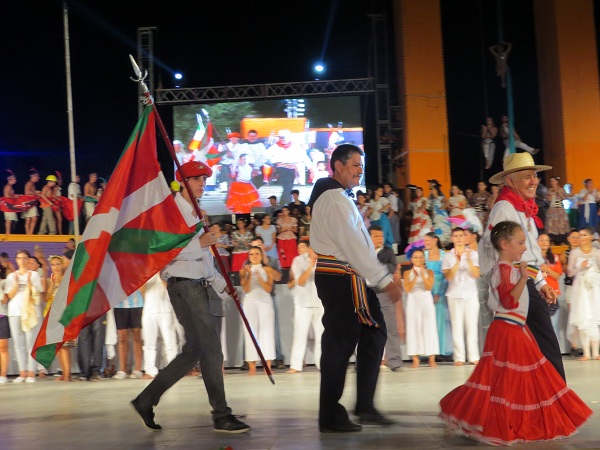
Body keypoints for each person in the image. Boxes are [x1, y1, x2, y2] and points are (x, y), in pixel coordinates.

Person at [440, 220, 591, 445]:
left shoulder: (513, 267)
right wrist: (523, 278)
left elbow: (531, 270)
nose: (524, 247)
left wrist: (539, 284)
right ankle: (491, 419)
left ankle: (511, 418)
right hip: (506, 331)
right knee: (508, 380)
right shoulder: (502, 269)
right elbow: (509, 300)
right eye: (520, 243)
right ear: (504, 244)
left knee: (518, 380)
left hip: (516, 329)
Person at [131, 160, 250, 433]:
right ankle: (221, 414)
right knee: (211, 349)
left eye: (204, 179)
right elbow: (161, 252)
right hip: (183, 286)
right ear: (182, 183)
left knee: (194, 350)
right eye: (196, 179)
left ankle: (145, 400)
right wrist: (199, 243)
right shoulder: (170, 212)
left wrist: (223, 285)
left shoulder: (198, 213)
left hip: (200, 285)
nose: (202, 184)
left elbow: (205, 259)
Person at [308, 144, 402, 433]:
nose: (359, 170)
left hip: (348, 276)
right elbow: (353, 246)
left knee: (374, 333)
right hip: (341, 276)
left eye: (361, 166)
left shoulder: (339, 197)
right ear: (337, 166)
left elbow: (357, 245)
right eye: (354, 165)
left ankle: (364, 405)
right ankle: (331, 415)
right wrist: (383, 280)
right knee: (339, 344)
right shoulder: (334, 199)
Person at [480, 152, 565, 380]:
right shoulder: (505, 209)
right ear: (509, 181)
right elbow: (499, 249)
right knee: (544, 342)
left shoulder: (521, 208)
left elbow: (529, 253)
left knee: (528, 347)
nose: (534, 181)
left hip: (524, 281)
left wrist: (540, 283)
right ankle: (557, 397)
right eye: (527, 176)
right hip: (516, 284)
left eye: (535, 175)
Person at [369, 225, 405, 372]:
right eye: (376, 236)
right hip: (367, 292)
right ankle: (365, 362)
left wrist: (375, 267)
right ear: (369, 237)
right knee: (366, 330)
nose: (380, 238)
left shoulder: (388, 252)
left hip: (384, 292)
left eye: (381, 236)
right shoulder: (364, 251)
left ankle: (394, 361)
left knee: (390, 328)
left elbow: (392, 267)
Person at [442, 227, 480, 365]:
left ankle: (473, 356)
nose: (458, 238)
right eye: (456, 235)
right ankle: (459, 357)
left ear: (465, 238)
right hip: (454, 294)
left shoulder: (474, 254)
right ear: (452, 238)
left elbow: (476, 274)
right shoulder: (448, 256)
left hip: (470, 294)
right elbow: (448, 276)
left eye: (461, 235)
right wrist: (457, 262)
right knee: (457, 326)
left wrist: (468, 260)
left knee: (471, 326)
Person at [5, 249, 44, 382]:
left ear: (28, 260)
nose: (22, 260)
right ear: (16, 260)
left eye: (24, 258)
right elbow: (9, 296)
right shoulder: (11, 276)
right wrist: (16, 284)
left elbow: (38, 293)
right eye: (19, 258)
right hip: (15, 312)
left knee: (31, 343)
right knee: (18, 343)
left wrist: (29, 283)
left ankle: (31, 372)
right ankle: (22, 372)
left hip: (31, 313)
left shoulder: (34, 275)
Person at [286, 241, 324, 374]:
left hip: (320, 302)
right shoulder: (298, 260)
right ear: (309, 248)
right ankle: (295, 365)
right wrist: (312, 264)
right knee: (300, 335)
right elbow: (300, 281)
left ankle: (322, 364)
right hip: (303, 302)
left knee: (322, 336)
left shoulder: (325, 259)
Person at [240, 246, 276, 375]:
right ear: (248, 257)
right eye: (251, 254)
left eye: (257, 253)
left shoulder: (267, 269)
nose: (254, 256)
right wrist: (250, 274)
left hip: (265, 301)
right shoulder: (244, 270)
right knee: (251, 332)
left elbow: (268, 289)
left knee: (267, 331)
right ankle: (252, 366)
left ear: (261, 256)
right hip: (250, 302)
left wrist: (259, 277)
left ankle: (268, 365)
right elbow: (246, 289)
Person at [567, 226, 600, 361]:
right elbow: (569, 272)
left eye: (584, 235)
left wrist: (593, 270)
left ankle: (596, 352)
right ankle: (586, 352)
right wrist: (581, 266)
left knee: (594, 317)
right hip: (579, 288)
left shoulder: (597, 252)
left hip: (593, 287)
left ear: (590, 237)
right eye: (579, 235)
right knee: (582, 316)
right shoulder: (575, 253)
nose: (580, 238)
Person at [404, 248, 439, 368]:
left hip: (426, 301)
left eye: (421, 256)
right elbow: (407, 289)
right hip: (413, 302)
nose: (419, 259)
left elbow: (429, 287)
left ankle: (431, 358)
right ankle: (415, 359)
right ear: (411, 259)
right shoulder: (407, 273)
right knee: (413, 328)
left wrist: (422, 274)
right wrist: (415, 277)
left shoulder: (429, 272)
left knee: (429, 328)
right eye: (416, 257)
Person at [423, 232, 452, 358]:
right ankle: (428, 351)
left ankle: (440, 350)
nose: (426, 243)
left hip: (440, 288)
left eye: (428, 240)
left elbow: (446, 276)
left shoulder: (444, 254)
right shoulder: (423, 255)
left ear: (435, 240)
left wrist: (439, 293)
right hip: (427, 287)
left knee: (440, 319)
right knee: (428, 320)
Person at [268, 129, 313, 205]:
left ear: (289, 137)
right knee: (287, 186)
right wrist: (273, 162)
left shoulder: (295, 146)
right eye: (281, 137)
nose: (283, 139)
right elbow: (265, 157)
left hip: (292, 169)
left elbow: (304, 157)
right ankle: (289, 204)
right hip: (281, 169)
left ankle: (282, 204)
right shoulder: (274, 147)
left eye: (284, 137)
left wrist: (310, 168)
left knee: (288, 187)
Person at [112, 290, 144, 380]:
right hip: (119, 305)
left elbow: (143, 286)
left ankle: (138, 369)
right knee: (122, 337)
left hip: (137, 304)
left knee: (136, 335)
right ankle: (123, 370)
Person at [545, 176, 570, 244]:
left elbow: (564, 198)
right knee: (552, 225)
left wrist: (558, 192)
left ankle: (562, 240)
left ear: (557, 181)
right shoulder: (549, 190)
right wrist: (552, 195)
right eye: (551, 181)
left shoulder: (561, 189)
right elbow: (547, 199)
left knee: (561, 224)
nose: (552, 183)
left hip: (560, 209)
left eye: (553, 181)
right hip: (552, 209)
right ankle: (552, 240)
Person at [427, 180, 451, 247]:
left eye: (433, 189)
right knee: (438, 233)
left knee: (443, 233)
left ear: (436, 190)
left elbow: (448, 202)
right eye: (431, 190)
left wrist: (442, 208)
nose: (432, 191)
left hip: (442, 217)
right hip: (435, 219)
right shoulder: (431, 200)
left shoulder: (441, 198)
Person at [0, 259, 10, 383]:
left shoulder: (5, 283)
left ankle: (3, 375)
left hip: (2, 317)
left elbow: (5, 300)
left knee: (3, 347)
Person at [23, 168, 40, 235]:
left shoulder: (31, 183)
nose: (38, 178)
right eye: (37, 176)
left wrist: (35, 192)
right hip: (29, 202)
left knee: (28, 219)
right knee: (34, 218)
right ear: (33, 176)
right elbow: (27, 192)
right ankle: (30, 234)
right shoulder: (30, 183)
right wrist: (36, 193)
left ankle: (28, 234)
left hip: (29, 203)